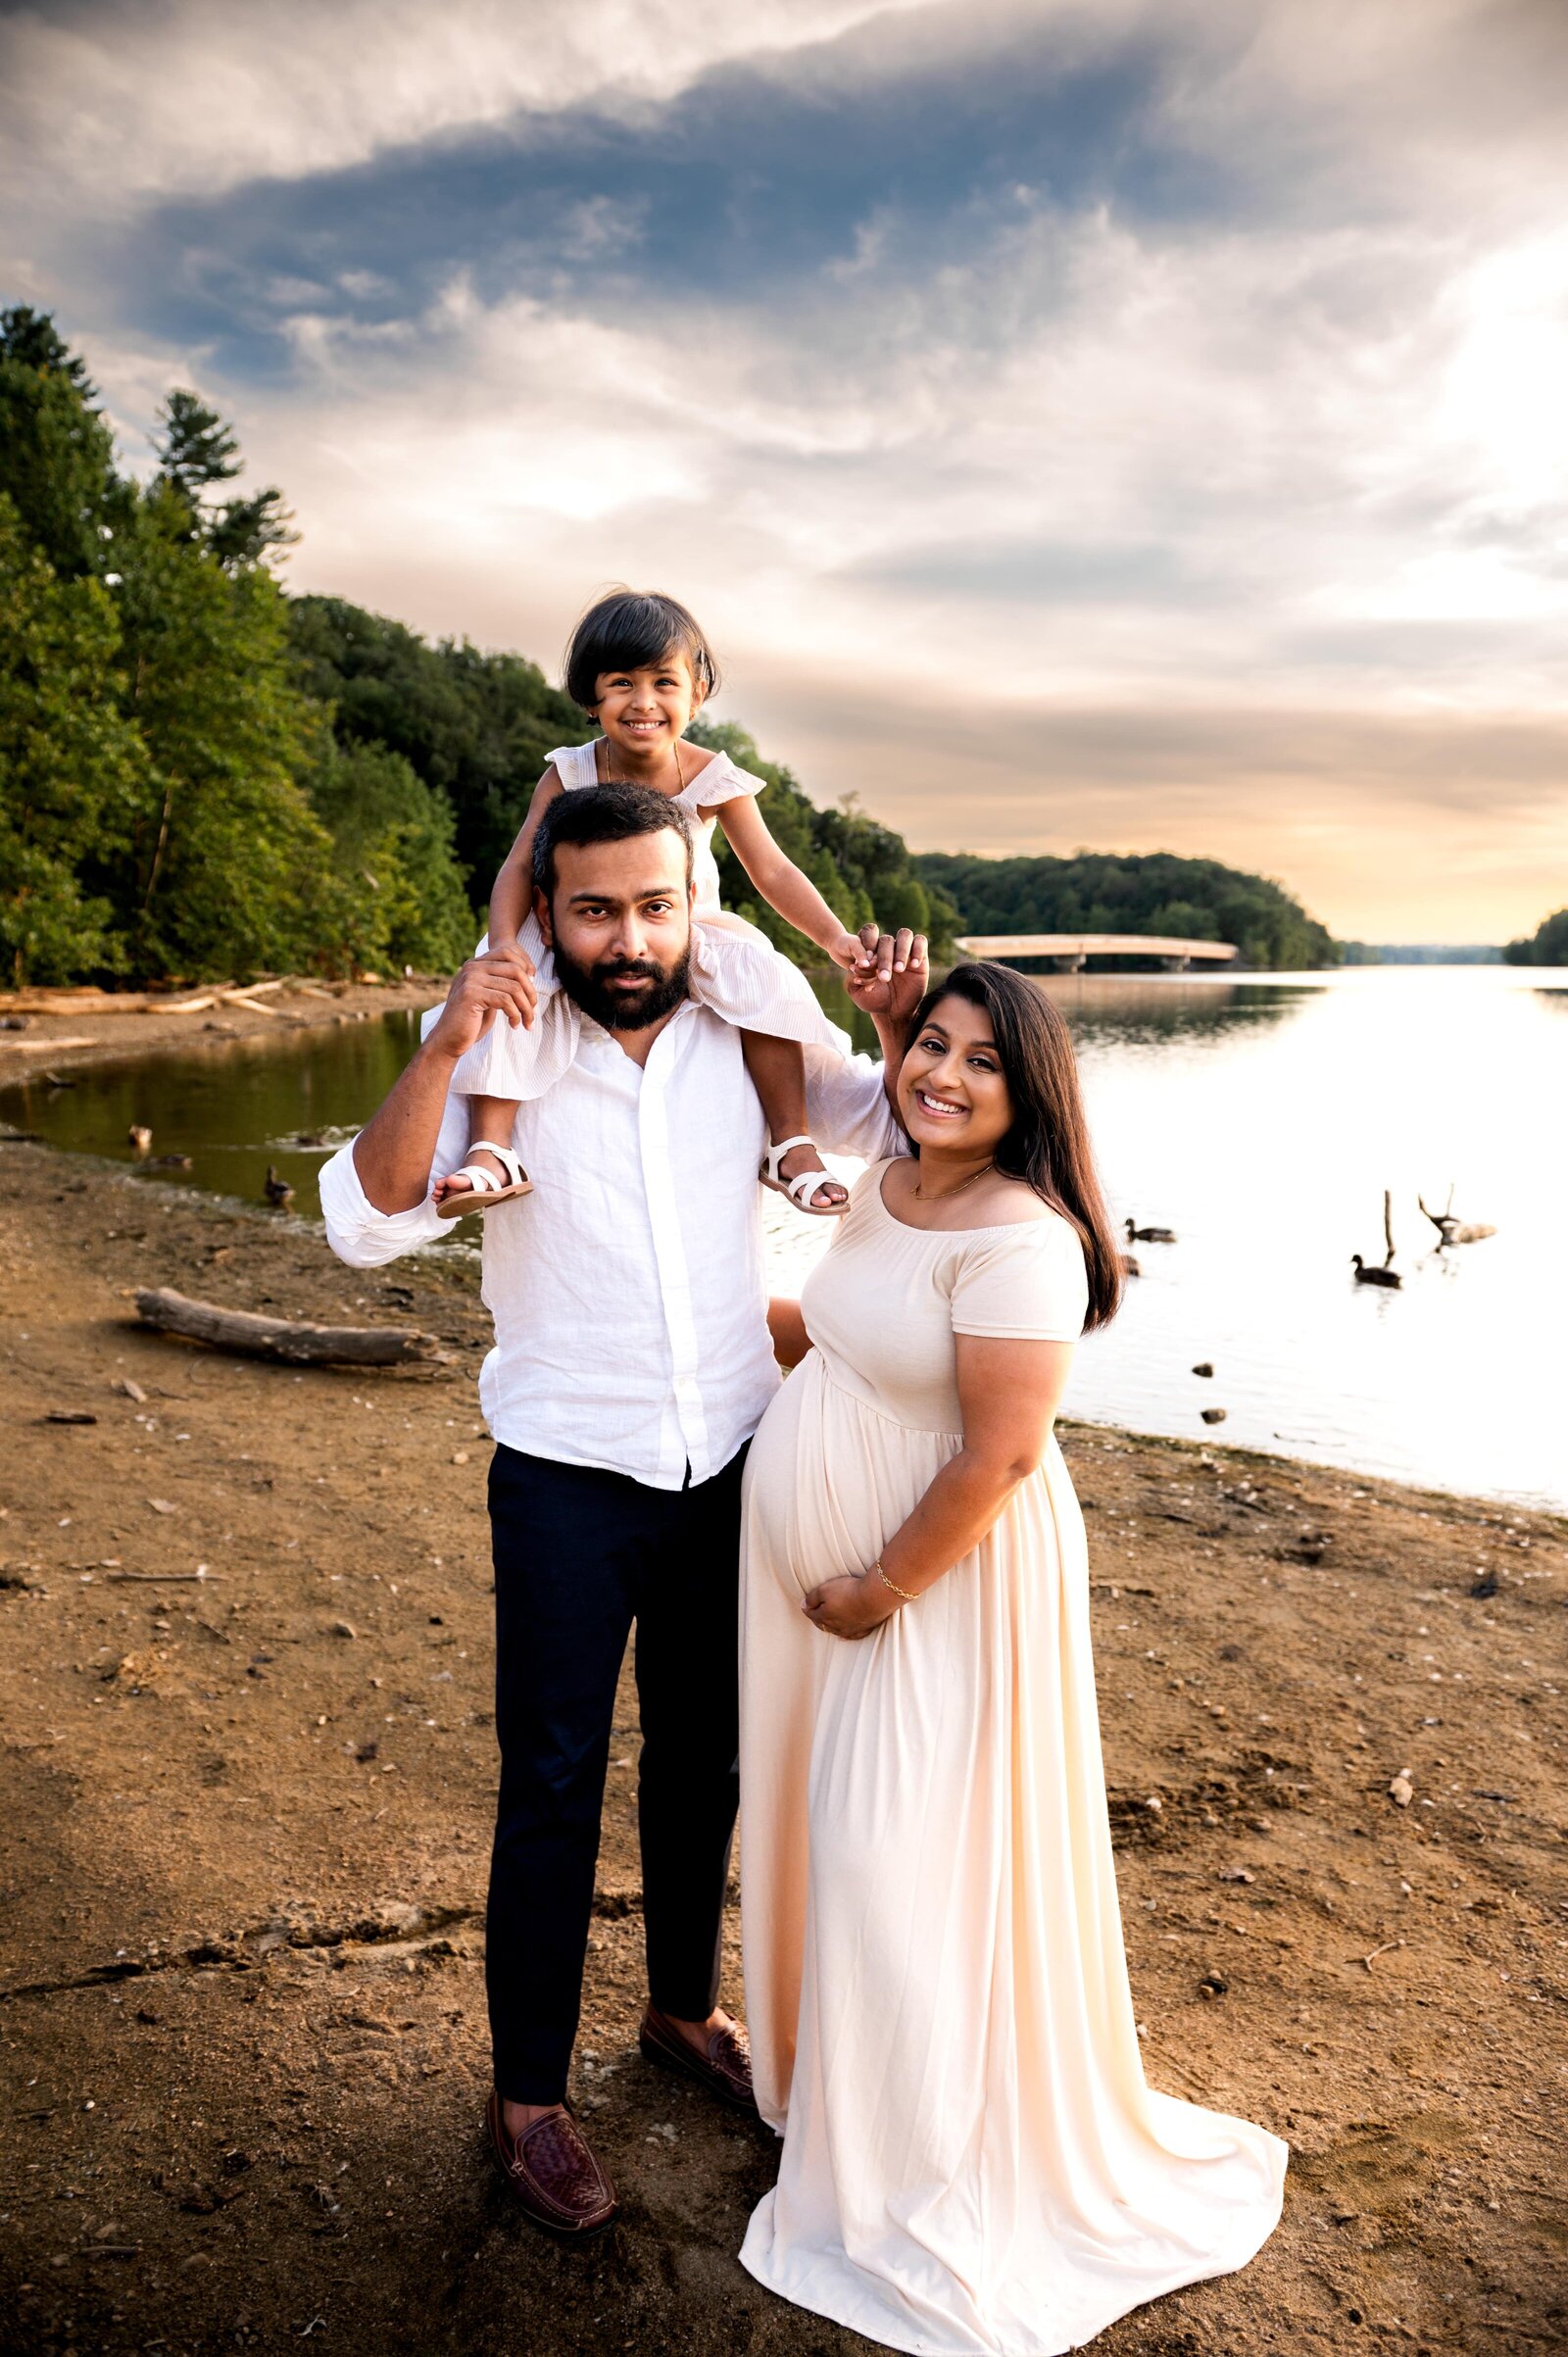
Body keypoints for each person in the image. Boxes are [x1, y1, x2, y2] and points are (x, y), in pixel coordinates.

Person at [319, 779, 927, 2239]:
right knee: (550, 1783)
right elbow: (363, 1223)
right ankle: (527, 2097)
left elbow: (902, 1133)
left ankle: (677, 2010)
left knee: (705, 1759)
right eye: (596, 908)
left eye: (660, 904)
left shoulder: (752, 1031)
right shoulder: (497, 1033)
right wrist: (452, 1039)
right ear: (552, 909)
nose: (632, 935)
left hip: (731, 1457)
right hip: (564, 1473)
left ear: (693, 900)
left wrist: (903, 1023)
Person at [737, 961, 1287, 2353]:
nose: (946, 1076)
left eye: (984, 1062)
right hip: (841, 1583)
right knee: (839, 1833)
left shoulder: (1023, 1236)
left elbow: (998, 1453)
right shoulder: (889, 1183)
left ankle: (923, 2162)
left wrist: (878, 1585)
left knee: (891, 1849)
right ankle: (852, 2106)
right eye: (933, 1046)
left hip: (943, 1588)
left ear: (1030, 1089)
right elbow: (840, 1329)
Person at [432, 587, 869, 1222]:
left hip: (689, 926)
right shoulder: (570, 773)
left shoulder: (712, 778)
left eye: (665, 682)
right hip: (592, 923)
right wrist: (504, 944)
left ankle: (791, 1145)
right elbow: (519, 867)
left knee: (763, 975)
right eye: (621, 683)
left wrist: (836, 940)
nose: (644, 702)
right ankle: (492, 1148)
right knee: (513, 973)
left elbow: (772, 869)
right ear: (591, 697)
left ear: (697, 693)